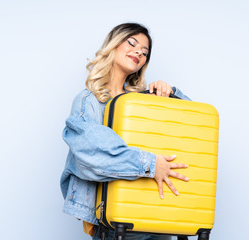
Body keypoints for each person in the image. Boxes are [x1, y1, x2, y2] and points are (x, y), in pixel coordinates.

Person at [60, 23, 192, 240]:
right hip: (117, 225)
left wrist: (173, 95)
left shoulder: (146, 102)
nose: (139, 52)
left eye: (145, 52)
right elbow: (92, 155)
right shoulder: (89, 102)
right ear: (113, 46)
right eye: (132, 43)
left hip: (159, 217)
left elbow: (192, 131)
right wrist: (150, 164)